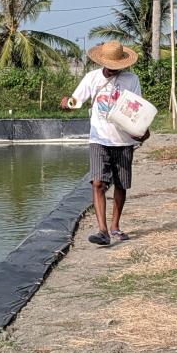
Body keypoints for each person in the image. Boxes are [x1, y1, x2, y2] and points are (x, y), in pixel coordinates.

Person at [62, 40, 150, 246]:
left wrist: (142, 131)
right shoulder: (91, 78)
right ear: (103, 61)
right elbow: (76, 101)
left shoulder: (131, 80)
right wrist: (67, 103)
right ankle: (102, 231)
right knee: (98, 182)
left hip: (124, 140)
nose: (113, 70)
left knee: (121, 184)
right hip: (99, 138)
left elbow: (137, 109)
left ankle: (115, 226)